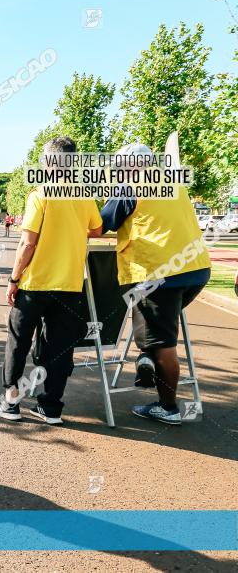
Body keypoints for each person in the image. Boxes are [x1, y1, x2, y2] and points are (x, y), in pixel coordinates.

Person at [0, 137, 103, 425]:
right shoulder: (84, 196)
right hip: (70, 286)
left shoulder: (40, 195)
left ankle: (11, 403)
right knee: (60, 348)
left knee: (18, 341)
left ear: (48, 163)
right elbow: (97, 231)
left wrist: (13, 279)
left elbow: (27, 244)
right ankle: (51, 408)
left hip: (35, 284)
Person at [100, 143, 211, 425]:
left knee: (162, 342)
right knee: (155, 328)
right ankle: (144, 360)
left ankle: (168, 407)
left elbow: (101, 225)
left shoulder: (129, 187)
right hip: (196, 269)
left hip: (157, 274)